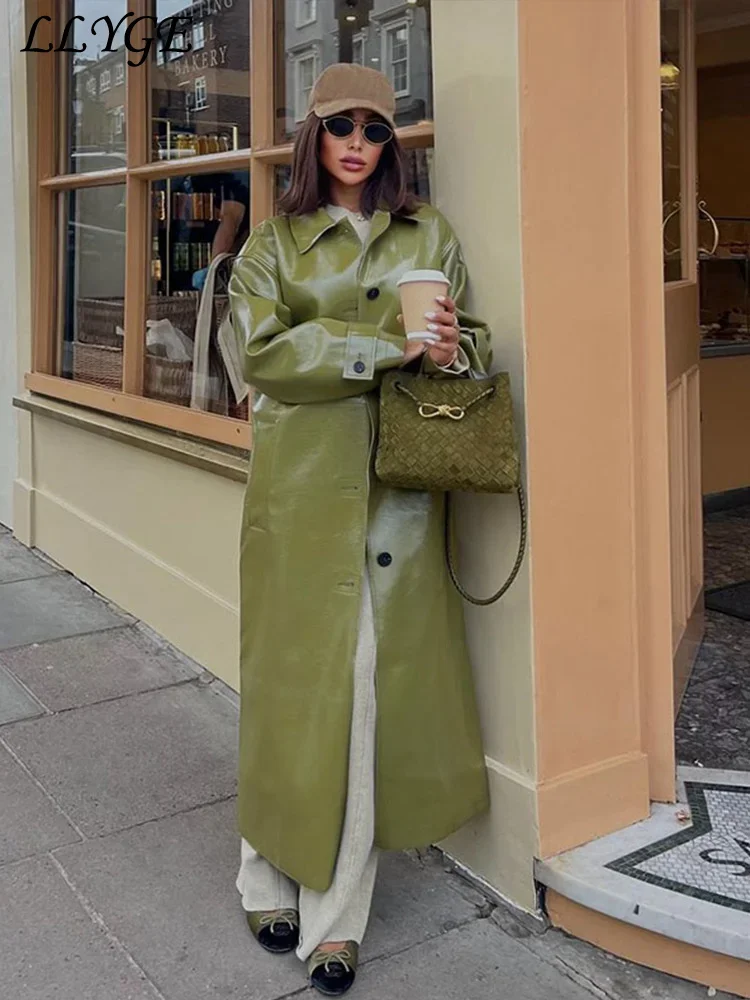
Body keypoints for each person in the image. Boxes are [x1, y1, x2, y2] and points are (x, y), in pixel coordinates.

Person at [228, 63, 492, 996]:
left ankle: (336, 917)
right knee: (291, 693)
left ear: (392, 145)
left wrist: (458, 345)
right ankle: (263, 872)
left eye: (375, 128)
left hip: (400, 504)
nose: (357, 142)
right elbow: (258, 351)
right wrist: (386, 346)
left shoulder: (430, 234)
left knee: (364, 700)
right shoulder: (276, 241)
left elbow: (477, 343)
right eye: (339, 124)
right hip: (299, 498)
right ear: (312, 135)